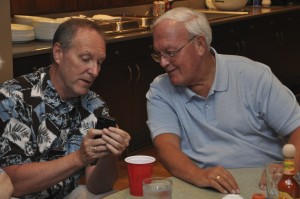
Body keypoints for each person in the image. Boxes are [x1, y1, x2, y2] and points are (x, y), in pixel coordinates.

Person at [146, 7, 300, 195]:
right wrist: (199, 175)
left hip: (264, 185)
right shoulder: (160, 90)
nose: (163, 63)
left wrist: (287, 171)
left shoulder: (253, 76)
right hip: (205, 187)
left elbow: (297, 129)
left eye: (170, 52)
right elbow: (166, 147)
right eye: (158, 54)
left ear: (200, 45)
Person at [0, 18, 130, 198]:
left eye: (99, 62)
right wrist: (79, 157)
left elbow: (98, 187)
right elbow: (14, 184)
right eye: (85, 59)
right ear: (58, 53)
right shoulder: (14, 98)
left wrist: (109, 154)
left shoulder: (94, 105)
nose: (95, 71)